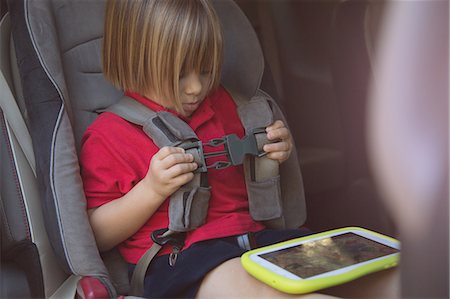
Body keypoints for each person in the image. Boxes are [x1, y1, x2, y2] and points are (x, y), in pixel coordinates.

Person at [80, 0, 326, 298]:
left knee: (349, 269)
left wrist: (274, 150)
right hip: (180, 260)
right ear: (137, 62)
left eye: (207, 71)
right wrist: (151, 190)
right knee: (260, 288)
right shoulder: (109, 134)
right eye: (180, 74)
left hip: (258, 240)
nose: (195, 87)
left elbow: (254, 171)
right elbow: (97, 234)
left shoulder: (230, 105)